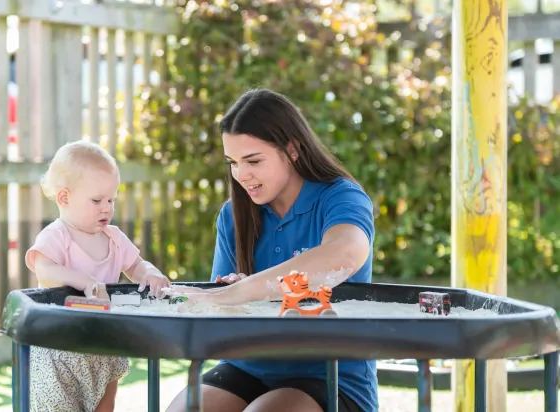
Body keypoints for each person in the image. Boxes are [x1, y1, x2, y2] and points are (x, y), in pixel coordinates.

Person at [165, 89, 378, 412]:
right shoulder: (233, 215)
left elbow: (346, 251)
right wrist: (232, 293)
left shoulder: (341, 197)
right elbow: (225, 307)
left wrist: (249, 289)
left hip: (329, 373)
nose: (241, 175)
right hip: (249, 365)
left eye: (253, 161)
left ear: (291, 149)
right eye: (233, 163)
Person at [25, 140, 171, 412]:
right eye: (96, 200)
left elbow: (135, 264)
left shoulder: (114, 238)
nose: (106, 208)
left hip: (103, 344)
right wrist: (84, 281)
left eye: (111, 199)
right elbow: (45, 271)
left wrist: (150, 272)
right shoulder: (57, 236)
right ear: (64, 198)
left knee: (105, 404)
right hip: (60, 348)